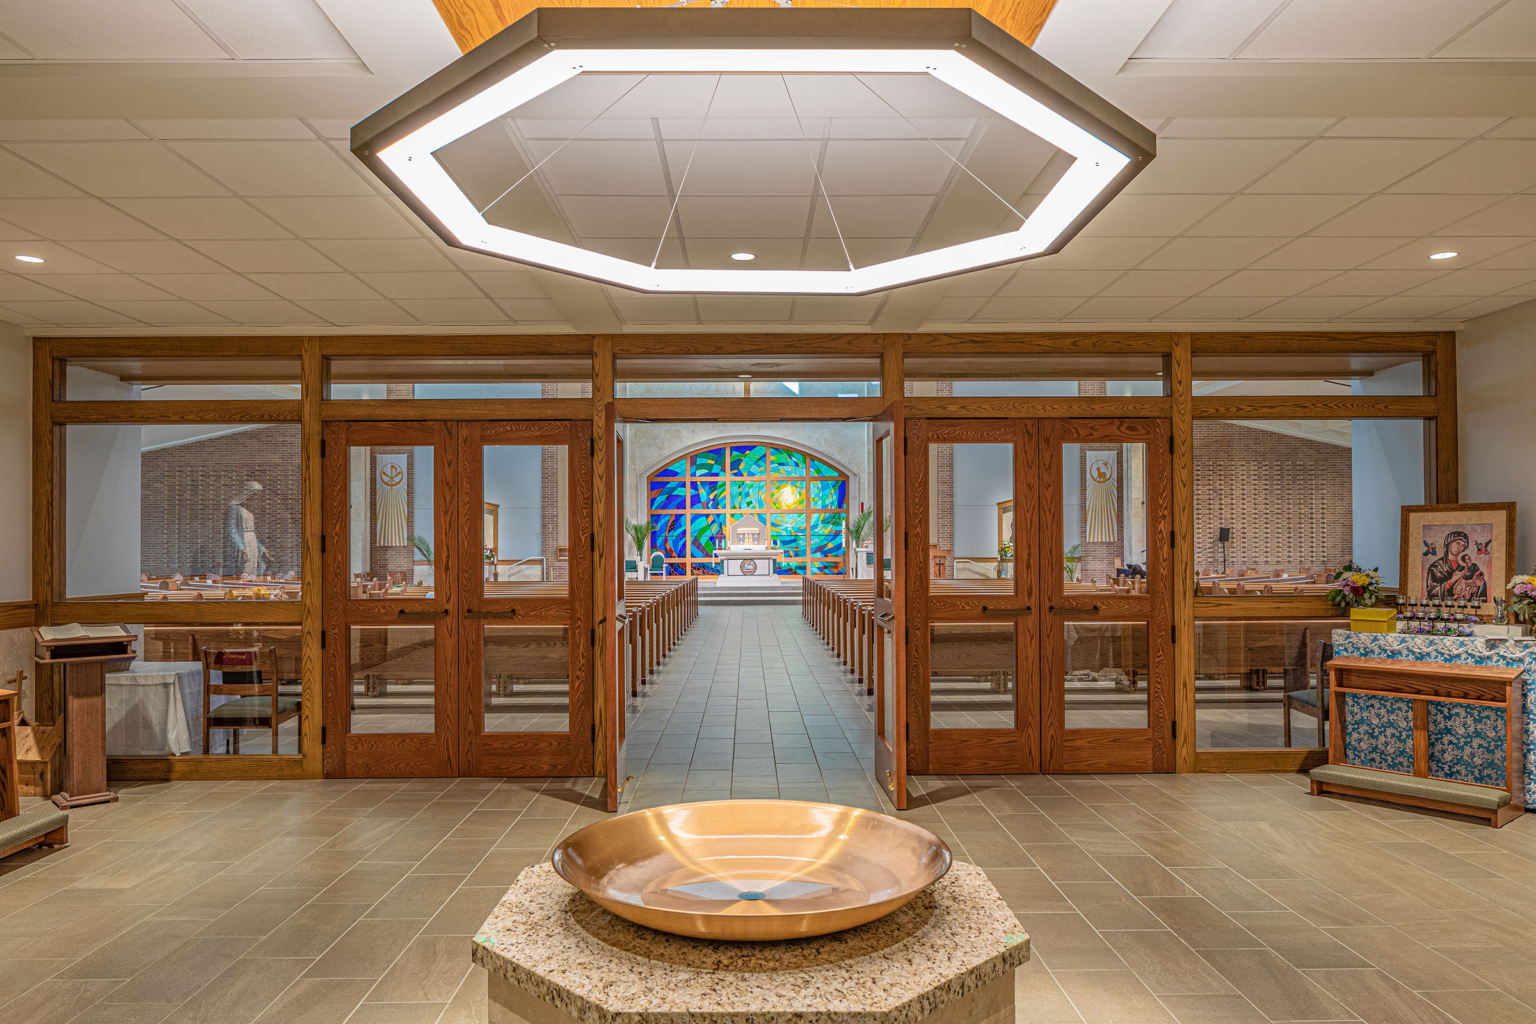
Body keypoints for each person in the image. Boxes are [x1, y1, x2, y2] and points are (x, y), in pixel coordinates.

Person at [1425, 529, 1487, 602]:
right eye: (1457, 543)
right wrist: (1452, 580)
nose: (1459, 547)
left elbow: (1480, 587)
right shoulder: (1436, 567)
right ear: (1448, 543)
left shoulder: (1466, 567)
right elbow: (1432, 595)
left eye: (1462, 545)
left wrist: (1475, 583)